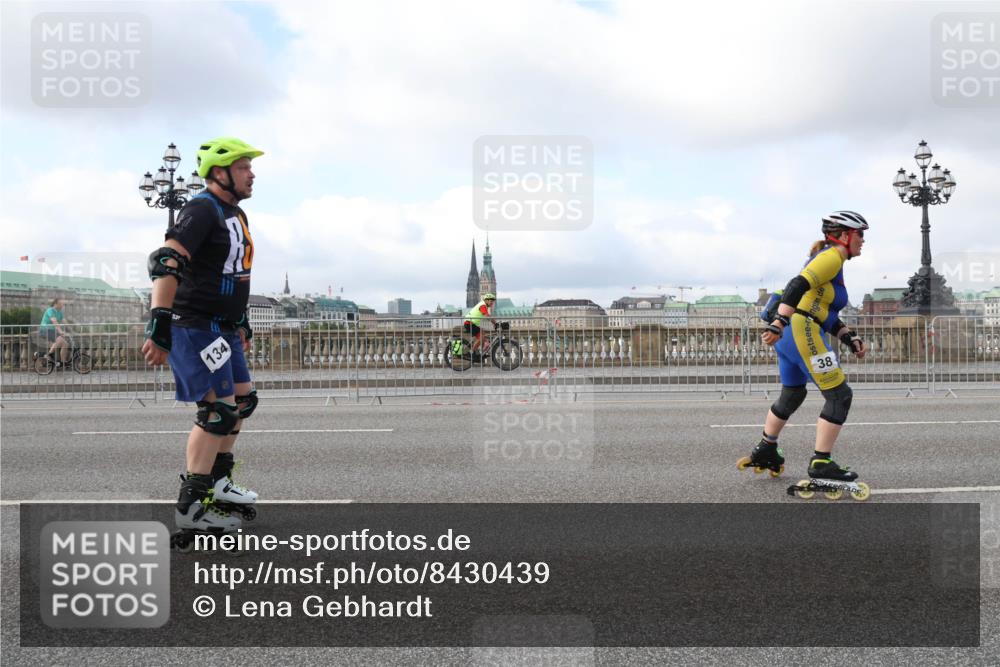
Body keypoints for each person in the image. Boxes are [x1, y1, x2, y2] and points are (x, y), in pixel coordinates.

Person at [141, 137, 263, 534]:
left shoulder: (234, 213)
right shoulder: (201, 209)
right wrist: (159, 323)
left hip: (223, 326)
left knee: (242, 401)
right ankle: (191, 508)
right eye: (244, 167)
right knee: (218, 411)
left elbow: (229, 271)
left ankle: (219, 483)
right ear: (219, 172)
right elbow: (166, 260)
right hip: (194, 325)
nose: (252, 174)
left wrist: (240, 318)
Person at [743, 211, 869, 482]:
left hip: (793, 334)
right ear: (845, 235)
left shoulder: (833, 262)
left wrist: (849, 337)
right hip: (801, 331)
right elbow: (796, 285)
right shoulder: (832, 256)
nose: (863, 240)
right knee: (839, 395)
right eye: (860, 234)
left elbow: (824, 312)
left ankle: (767, 448)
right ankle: (821, 462)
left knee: (793, 394)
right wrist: (779, 322)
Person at [464, 292, 497, 358]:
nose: (492, 303)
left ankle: (484, 345)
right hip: (469, 323)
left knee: (483, 333)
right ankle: (471, 352)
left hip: (473, 323)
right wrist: (495, 323)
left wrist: (493, 324)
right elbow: (487, 316)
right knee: (481, 338)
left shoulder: (484, 305)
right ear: (486, 300)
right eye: (490, 301)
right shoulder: (482, 305)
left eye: (493, 301)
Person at [39, 298, 70, 365]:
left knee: (65, 344)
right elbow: (54, 321)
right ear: (56, 304)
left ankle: (63, 362)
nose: (62, 305)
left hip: (52, 331)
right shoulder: (50, 310)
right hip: (45, 330)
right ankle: (48, 355)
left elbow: (64, 321)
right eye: (61, 304)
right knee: (60, 340)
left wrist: (71, 329)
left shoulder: (59, 312)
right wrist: (60, 331)